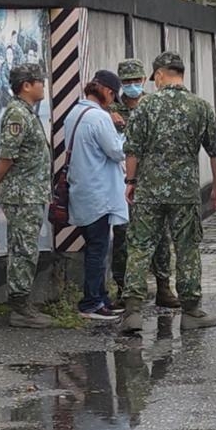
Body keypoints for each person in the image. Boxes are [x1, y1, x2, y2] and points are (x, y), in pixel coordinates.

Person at [119, 52, 216, 334]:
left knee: (140, 247)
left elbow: (133, 149)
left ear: (159, 75)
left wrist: (131, 181)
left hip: (149, 191)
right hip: (185, 192)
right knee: (187, 249)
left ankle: (132, 312)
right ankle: (191, 310)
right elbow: (215, 153)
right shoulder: (200, 107)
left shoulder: (145, 107)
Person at [0, 63, 56, 328]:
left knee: (26, 249)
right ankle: (19, 307)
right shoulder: (17, 114)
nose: (43, 85)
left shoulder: (26, 112)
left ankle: (23, 302)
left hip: (31, 193)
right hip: (22, 194)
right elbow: (7, 156)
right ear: (26, 85)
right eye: (39, 81)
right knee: (23, 250)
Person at [108, 59, 176, 310]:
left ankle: (163, 287)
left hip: (154, 180)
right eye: (127, 82)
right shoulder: (110, 109)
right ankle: (124, 289)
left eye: (137, 81)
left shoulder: (153, 104)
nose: (133, 86)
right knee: (124, 236)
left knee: (160, 235)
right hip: (122, 181)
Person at [64, 70, 128, 321]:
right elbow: (117, 151)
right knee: (98, 249)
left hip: (82, 189)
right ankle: (91, 303)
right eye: (113, 96)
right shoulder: (99, 118)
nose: (112, 101)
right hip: (97, 193)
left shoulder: (74, 114)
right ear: (106, 91)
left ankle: (101, 297)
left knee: (96, 246)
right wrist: (120, 129)